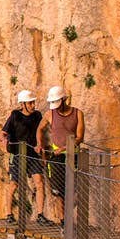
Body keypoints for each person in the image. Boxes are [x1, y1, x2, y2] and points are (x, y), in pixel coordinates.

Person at [38, 86, 84, 222]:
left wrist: (64, 148)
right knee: (58, 192)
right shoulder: (50, 114)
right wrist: (39, 143)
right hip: (56, 157)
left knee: (75, 191)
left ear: (64, 99)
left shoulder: (78, 114)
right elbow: (40, 128)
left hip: (73, 155)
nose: (56, 107)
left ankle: (70, 219)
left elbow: (80, 137)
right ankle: (64, 222)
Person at [2, 90, 46, 223]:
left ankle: (40, 215)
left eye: (33, 102)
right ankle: (9, 214)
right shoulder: (15, 116)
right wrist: (4, 139)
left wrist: (41, 151)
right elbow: (3, 132)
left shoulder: (37, 115)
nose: (33, 105)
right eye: (30, 103)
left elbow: (41, 133)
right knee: (13, 184)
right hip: (17, 155)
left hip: (33, 155)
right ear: (23, 104)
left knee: (39, 183)